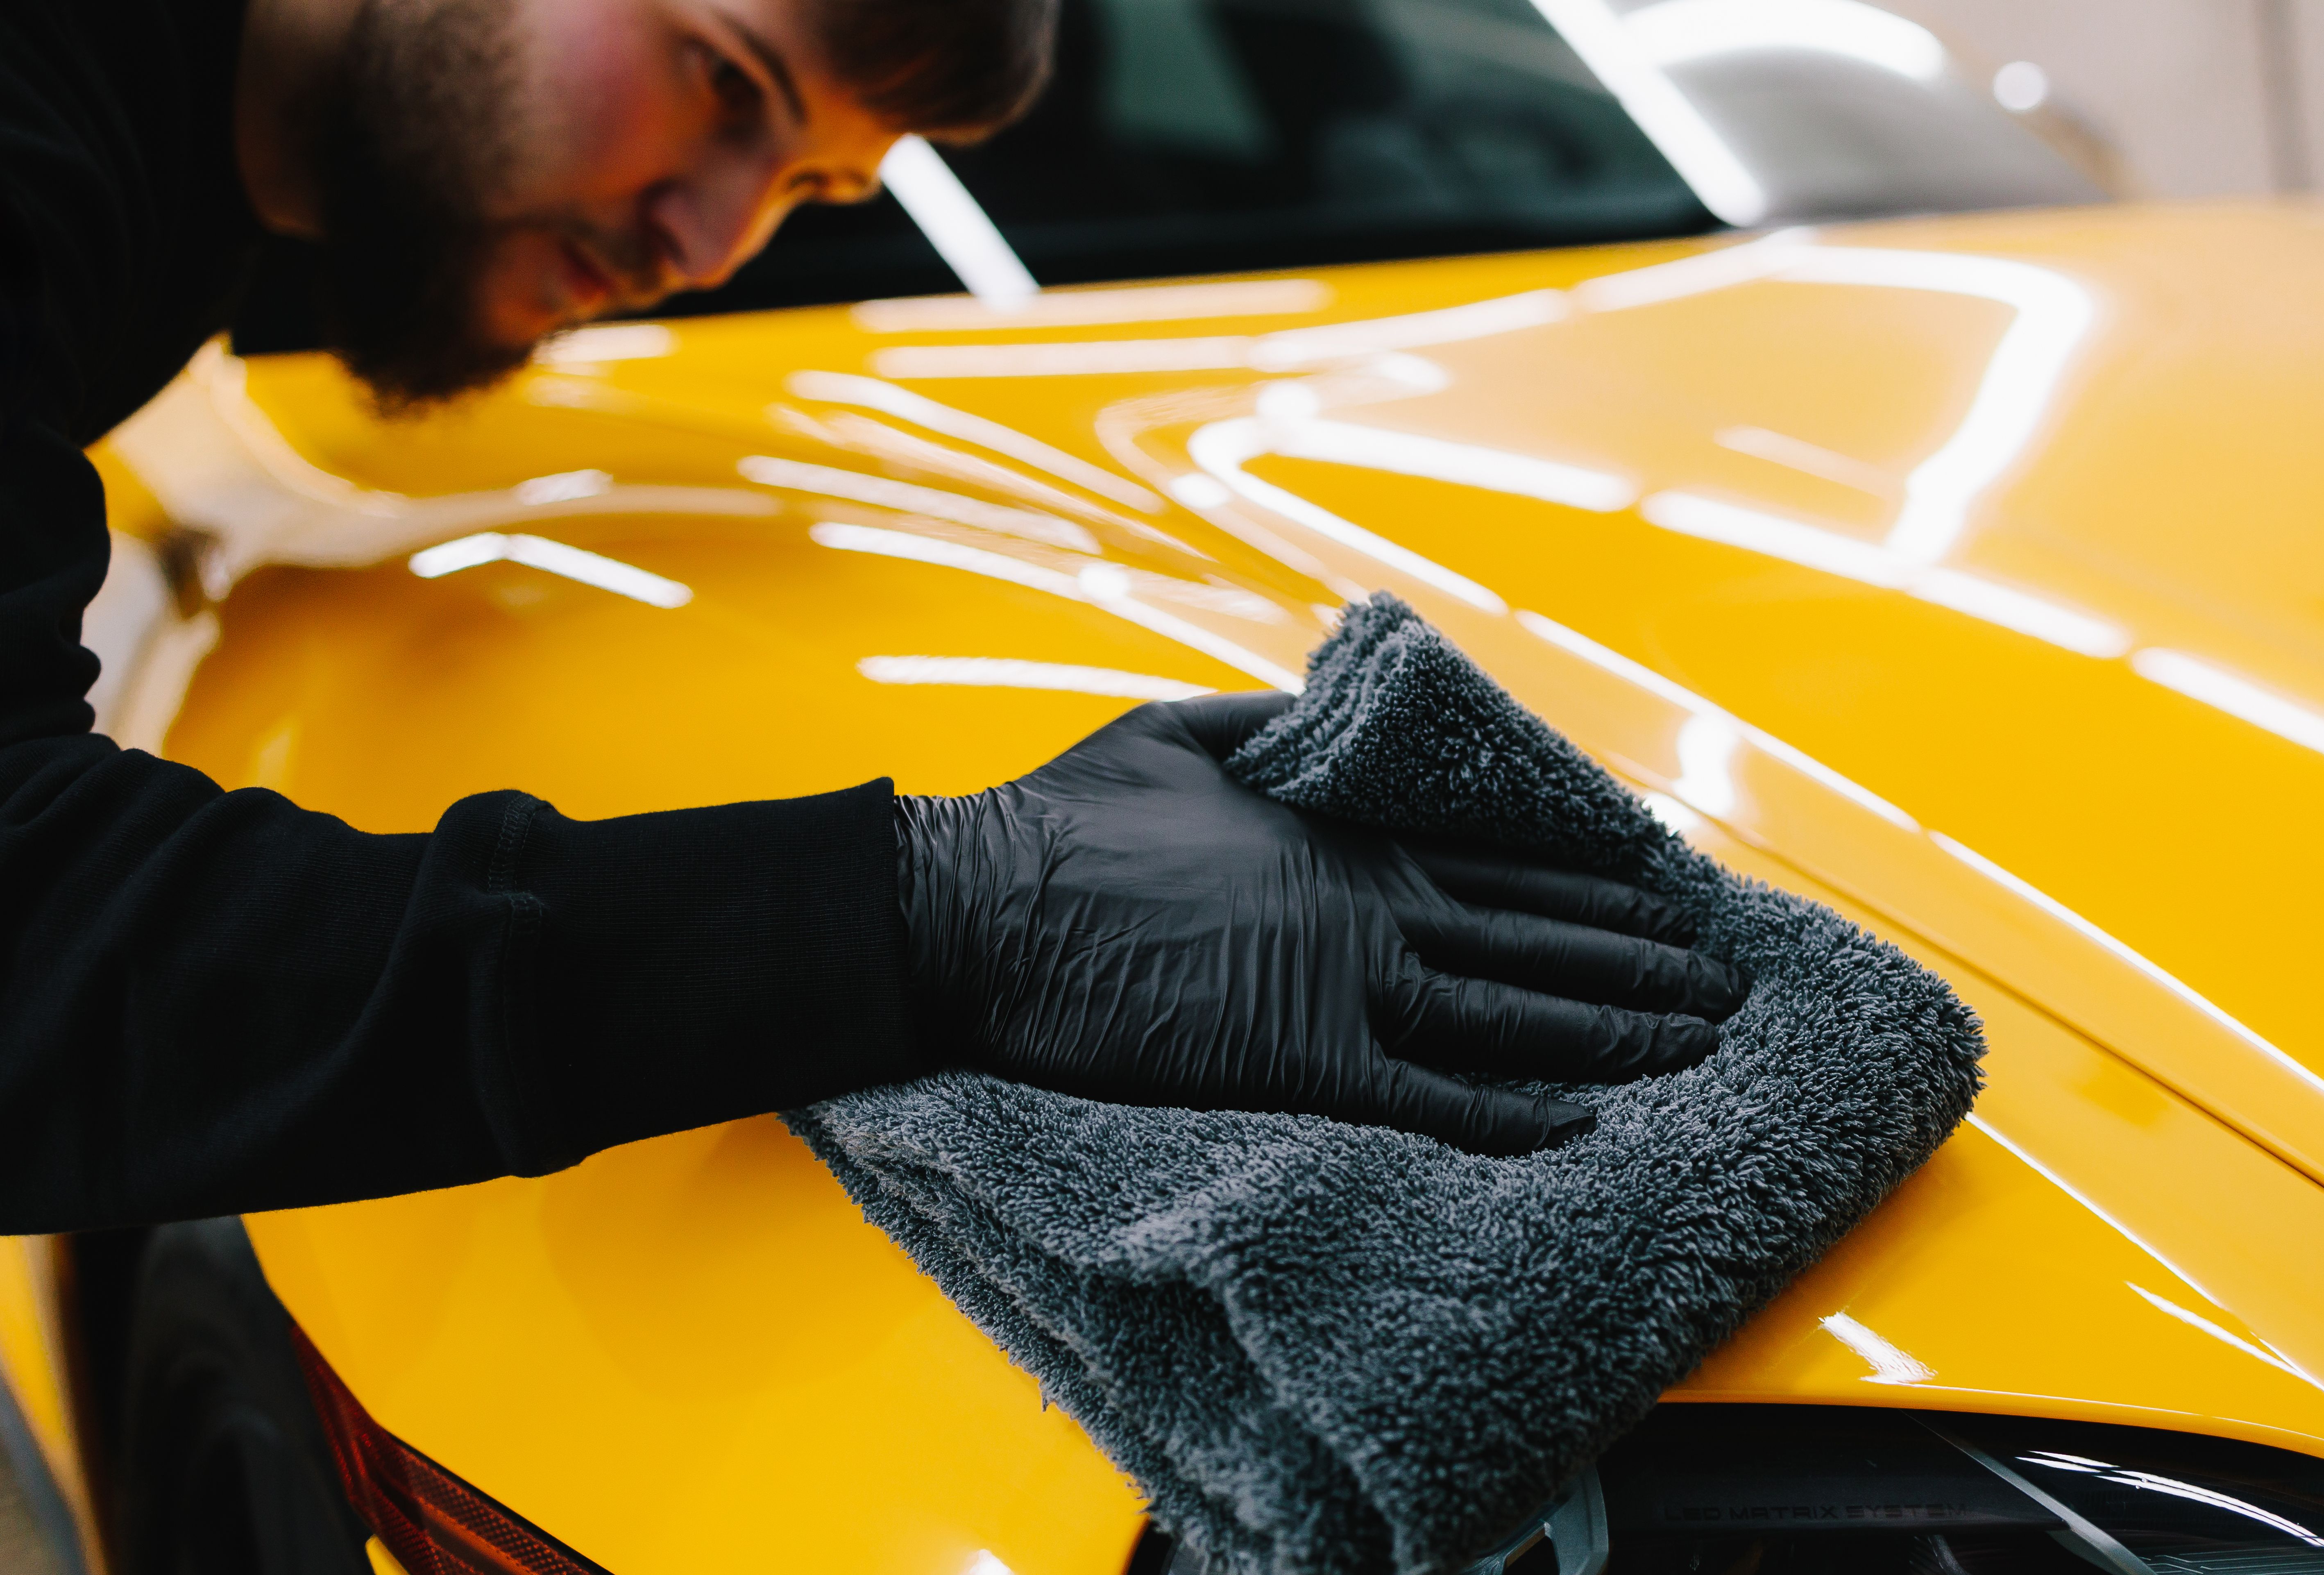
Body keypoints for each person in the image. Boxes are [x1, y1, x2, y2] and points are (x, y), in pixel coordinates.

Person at [0, 0, 1749, 1239]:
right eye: (721, 81)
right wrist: (938, 906)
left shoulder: (188, 170)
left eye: (818, 189)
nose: (707, 240)